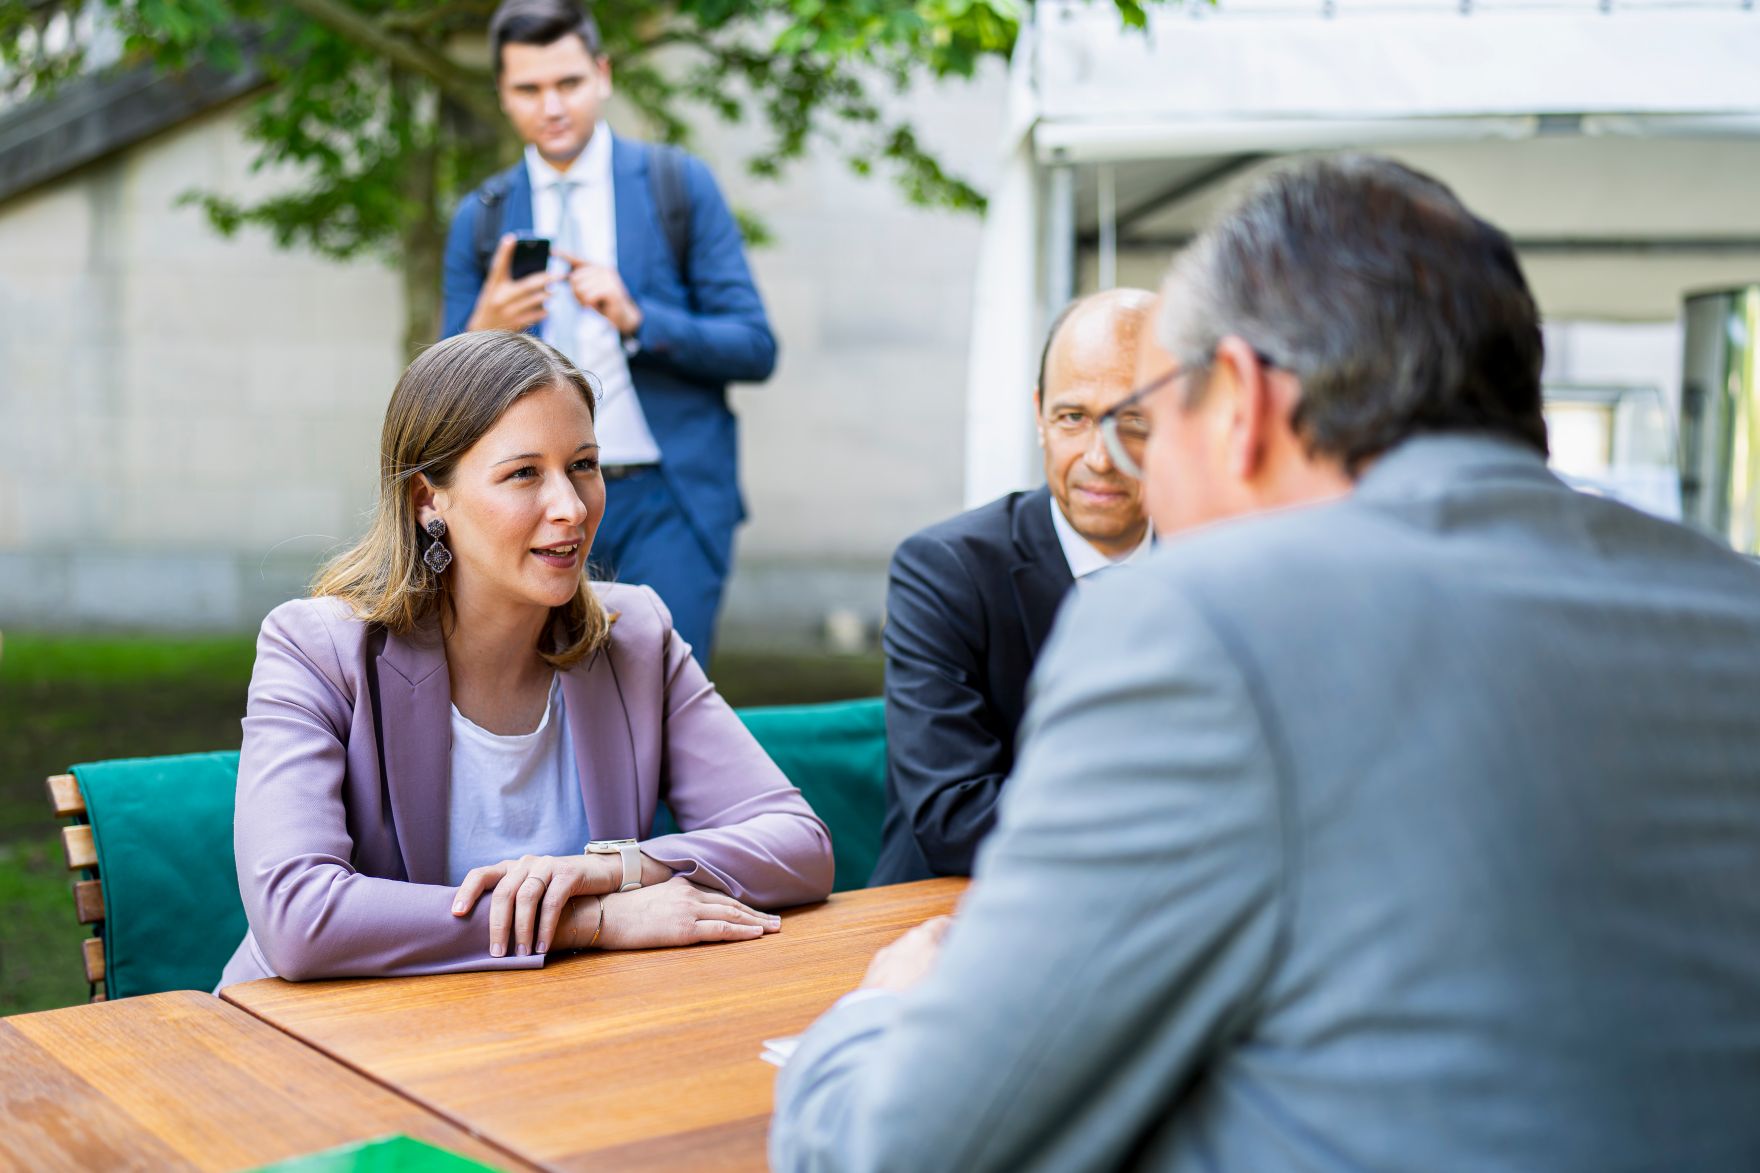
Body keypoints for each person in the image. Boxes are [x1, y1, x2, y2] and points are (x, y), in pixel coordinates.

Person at [770, 155, 1760, 1170]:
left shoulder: (1204, 621)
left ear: (1236, 398)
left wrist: (870, 1018)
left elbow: (905, 1149)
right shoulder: (1735, 606)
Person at [217, 331, 831, 987]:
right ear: (429, 500)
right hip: (314, 1049)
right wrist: (591, 921)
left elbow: (798, 844)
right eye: (523, 474)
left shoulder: (635, 635)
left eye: (584, 465)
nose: (570, 507)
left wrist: (611, 868)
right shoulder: (314, 648)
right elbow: (298, 919)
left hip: (538, 1043)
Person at [442, 0, 775, 668]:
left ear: (602, 74)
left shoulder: (675, 184)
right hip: (530, 502)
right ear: (504, 96)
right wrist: (484, 328)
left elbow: (754, 346)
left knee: (663, 709)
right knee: (540, 703)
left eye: (567, 83)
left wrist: (637, 318)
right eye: (529, 89)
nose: (552, 105)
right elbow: (443, 396)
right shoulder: (479, 217)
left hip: (665, 498)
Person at [868, 289, 1155, 885]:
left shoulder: (1224, 561)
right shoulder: (945, 570)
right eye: (1073, 418)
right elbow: (956, 819)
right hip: (954, 915)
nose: (1101, 458)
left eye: (1135, 421)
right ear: (1039, 415)